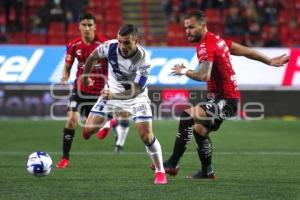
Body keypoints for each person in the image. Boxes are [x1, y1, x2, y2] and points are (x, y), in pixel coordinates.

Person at [153, 10, 289, 179]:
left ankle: (173, 163)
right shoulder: (219, 41)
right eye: (186, 27)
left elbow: (204, 75)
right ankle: (207, 172)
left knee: (187, 116)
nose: (187, 31)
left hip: (225, 100)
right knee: (199, 130)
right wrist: (268, 60)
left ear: (203, 25)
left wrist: (184, 71)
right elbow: (247, 51)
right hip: (223, 99)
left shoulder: (206, 45)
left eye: (191, 27)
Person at [82, 24, 167, 185]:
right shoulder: (109, 46)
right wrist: (86, 77)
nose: (122, 46)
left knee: (146, 136)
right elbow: (93, 56)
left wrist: (113, 95)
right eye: (120, 42)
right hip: (112, 93)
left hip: (136, 97)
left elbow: (135, 91)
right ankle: (110, 119)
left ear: (136, 41)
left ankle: (160, 172)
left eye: (127, 43)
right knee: (88, 130)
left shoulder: (143, 58)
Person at [56, 13, 110, 168]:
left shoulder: (104, 44)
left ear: (95, 27)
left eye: (90, 25)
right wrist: (64, 78)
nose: (87, 28)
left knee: (88, 130)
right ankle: (65, 158)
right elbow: (67, 67)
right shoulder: (74, 45)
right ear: (79, 26)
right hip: (80, 89)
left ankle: (109, 122)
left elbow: (114, 66)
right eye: (84, 25)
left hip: (100, 91)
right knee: (71, 120)